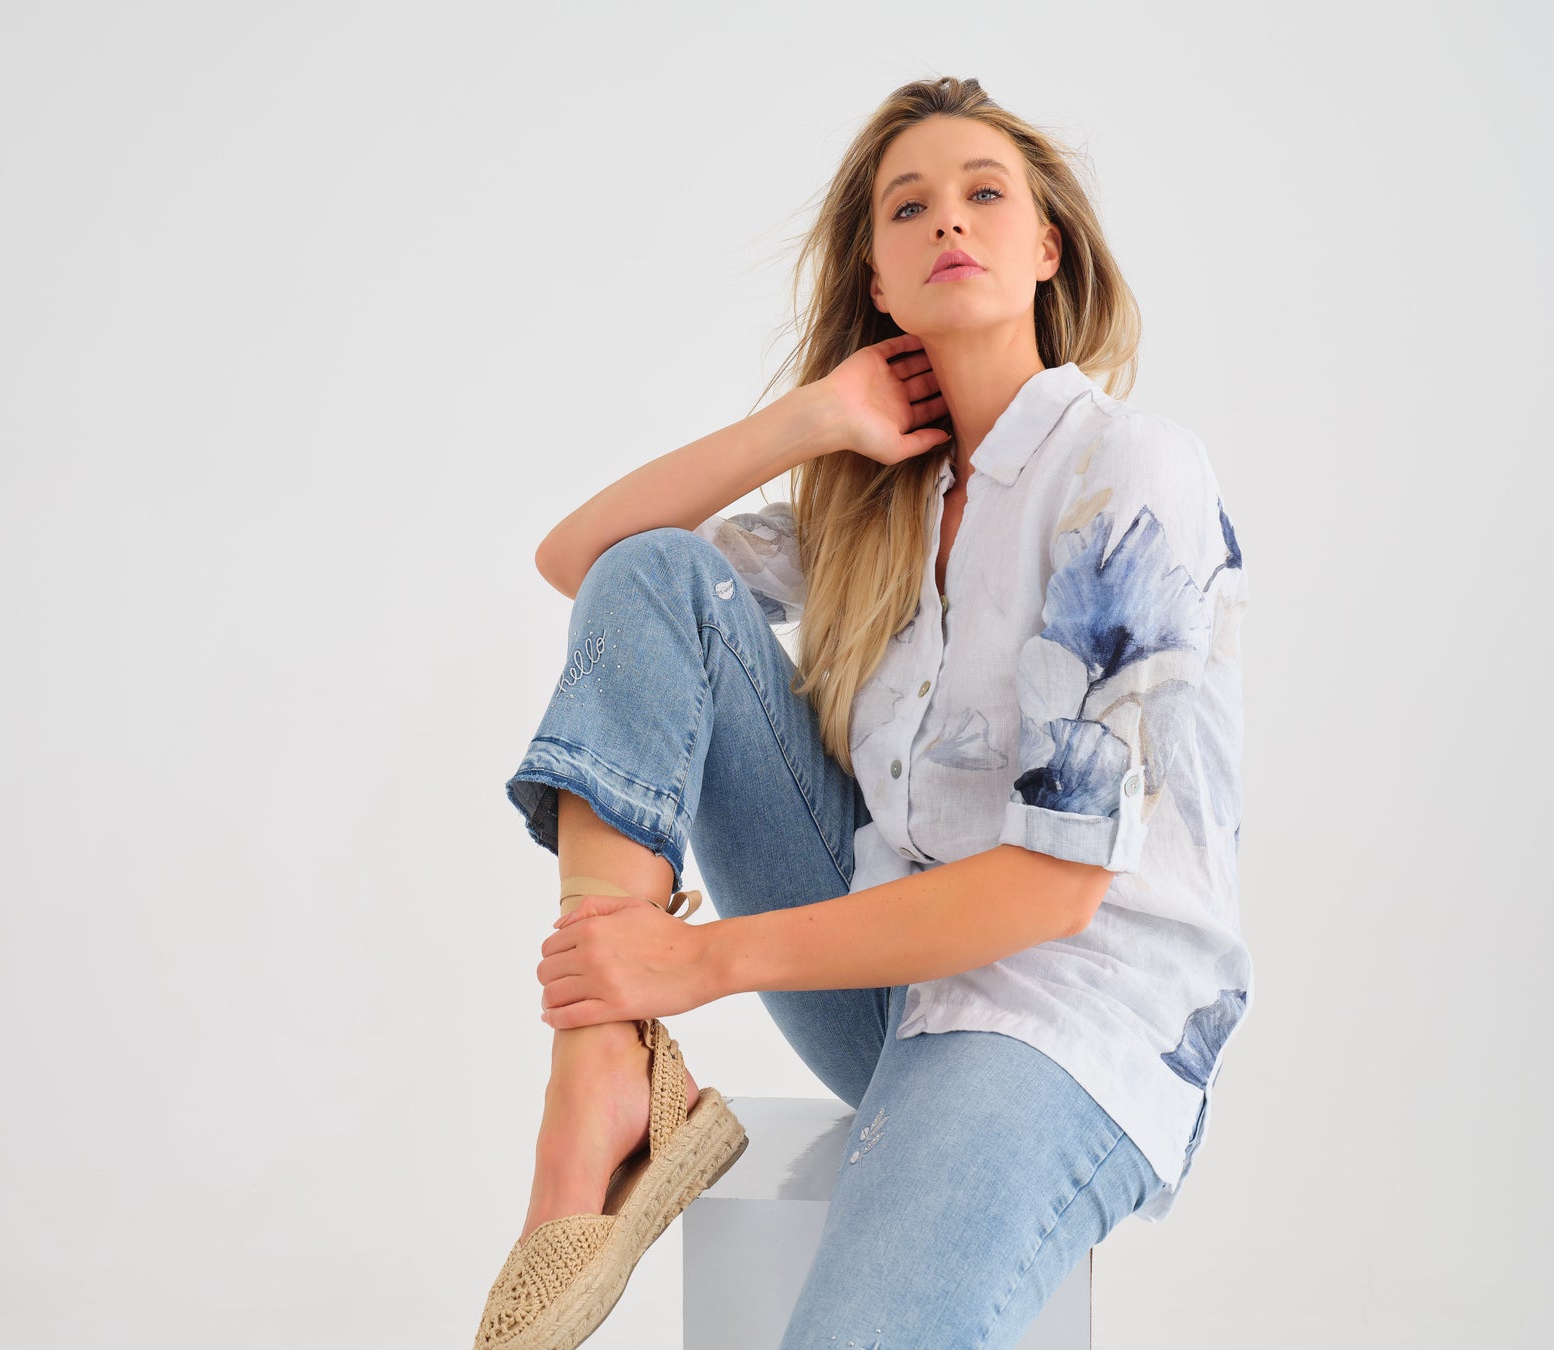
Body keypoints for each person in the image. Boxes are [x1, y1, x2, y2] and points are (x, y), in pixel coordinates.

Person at [473, 74, 1252, 1350]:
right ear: (879, 284)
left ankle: (621, 1064)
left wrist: (701, 963)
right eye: (908, 206)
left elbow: (1056, 889)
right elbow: (591, 566)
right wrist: (810, 420)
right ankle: (601, 1072)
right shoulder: (877, 507)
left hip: (1069, 1010)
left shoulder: (1126, 471)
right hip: (891, 993)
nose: (949, 219)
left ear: (1047, 247)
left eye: (984, 193)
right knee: (659, 575)